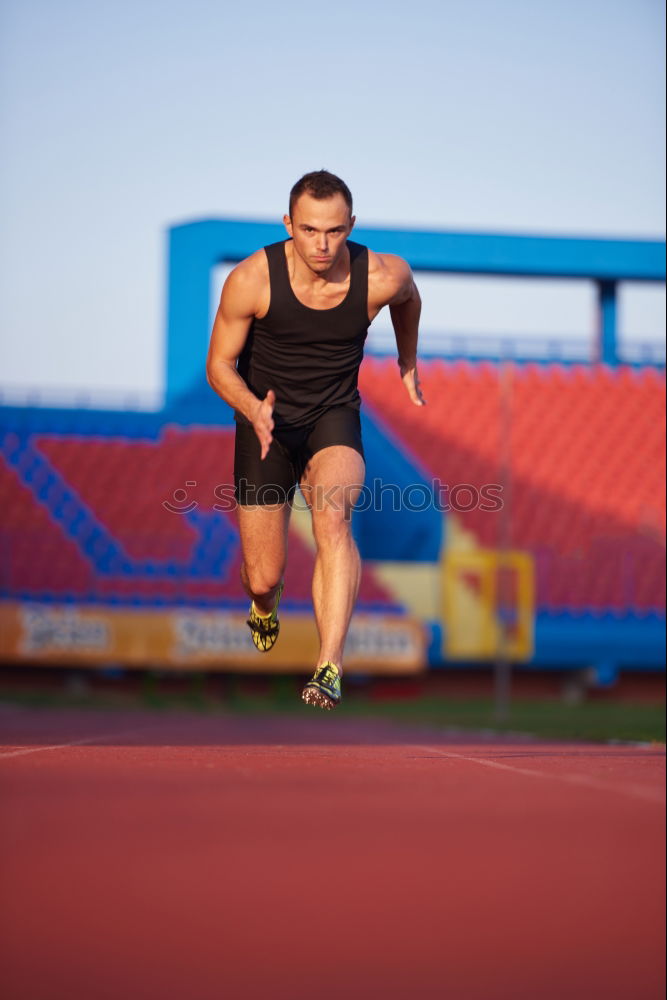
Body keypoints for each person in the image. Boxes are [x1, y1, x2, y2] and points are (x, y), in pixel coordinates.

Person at [206, 170, 424, 709]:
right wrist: (253, 408)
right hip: (266, 425)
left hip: (333, 416)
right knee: (263, 575)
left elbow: (410, 299)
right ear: (289, 225)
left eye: (333, 231)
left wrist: (408, 358)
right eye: (308, 230)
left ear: (351, 225)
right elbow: (218, 365)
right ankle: (264, 605)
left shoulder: (381, 275)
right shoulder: (251, 279)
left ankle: (329, 665)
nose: (322, 245)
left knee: (335, 518)